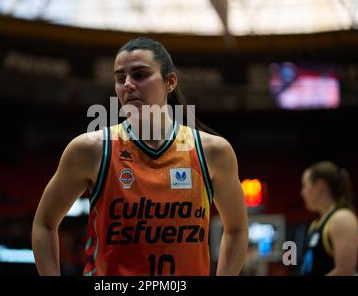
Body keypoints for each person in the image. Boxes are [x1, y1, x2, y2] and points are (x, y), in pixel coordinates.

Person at [32, 37, 248, 276]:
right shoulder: (90, 149)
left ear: (170, 82)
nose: (127, 84)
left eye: (140, 75)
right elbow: (44, 224)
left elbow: (237, 230)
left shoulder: (213, 152)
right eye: (119, 78)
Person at [300, 161, 358, 276]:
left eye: (305, 185)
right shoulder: (316, 224)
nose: (302, 192)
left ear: (320, 186)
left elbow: (345, 272)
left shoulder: (342, 219)